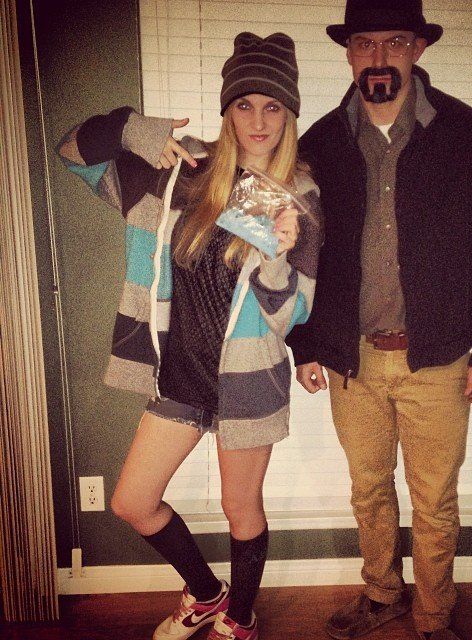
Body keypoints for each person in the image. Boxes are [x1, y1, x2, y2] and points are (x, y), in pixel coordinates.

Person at [57, 32, 321, 640]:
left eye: (273, 106)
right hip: (179, 372)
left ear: (289, 114)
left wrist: (279, 257)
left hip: (247, 378)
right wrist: (134, 131)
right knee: (132, 501)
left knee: (239, 508)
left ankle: (240, 615)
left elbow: (297, 311)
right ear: (227, 109)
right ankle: (205, 592)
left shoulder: (298, 194)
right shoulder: (179, 171)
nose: (258, 120)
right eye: (245, 104)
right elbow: (72, 152)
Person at [286, 1, 472, 639]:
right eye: (365, 43)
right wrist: (304, 341)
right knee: (368, 489)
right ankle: (382, 595)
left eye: (394, 42)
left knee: (433, 500)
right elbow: (290, 250)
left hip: (441, 359)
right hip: (353, 361)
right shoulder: (316, 144)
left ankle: (432, 617)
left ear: (418, 49)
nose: (378, 58)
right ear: (348, 53)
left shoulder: (466, 133)